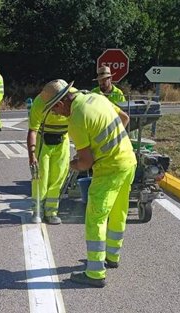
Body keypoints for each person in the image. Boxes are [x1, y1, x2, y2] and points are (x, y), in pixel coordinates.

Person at [39, 79, 136, 287]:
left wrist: (73, 165)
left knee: (95, 218)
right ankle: (112, 257)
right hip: (128, 159)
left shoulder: (76, 119)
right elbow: (124, 118)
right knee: (119, 211)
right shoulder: (97, 98)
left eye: (54, 111)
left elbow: (86, 162)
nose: (57, 115)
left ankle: (95, 273)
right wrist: (111, 144)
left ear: (59, 104)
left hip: (109, 169)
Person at [26, 89, 71, 225]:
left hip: (62, 139)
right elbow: (32, 131)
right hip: (43, 140)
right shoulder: (39, 103)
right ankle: (38, 210)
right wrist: (32, 156)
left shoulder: (73, 100)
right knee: (40, 176)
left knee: (58, 176)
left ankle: (51, 212)